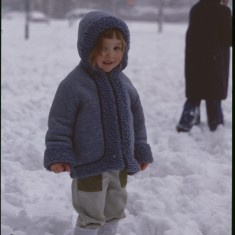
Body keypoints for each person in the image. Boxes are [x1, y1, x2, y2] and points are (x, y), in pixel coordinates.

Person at [43, 10, 153, 235]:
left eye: (117, 48)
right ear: (87, 48)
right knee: (91, 212)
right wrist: (58, 153)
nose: (109, 55)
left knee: (115, 207)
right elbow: (60, 123)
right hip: (89, 164)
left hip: (120, 163)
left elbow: (137, 121)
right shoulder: (73, 85)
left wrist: (140, 149)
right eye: (102, 48)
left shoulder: (125, 84)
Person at [176, 0, 232, 132]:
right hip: (215, 63)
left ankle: (187, 123)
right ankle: (216, 127)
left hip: (195, 62)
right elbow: (228, 38)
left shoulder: (196, 9)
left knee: (194, 96)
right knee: (214, 98)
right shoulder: (223, 12)